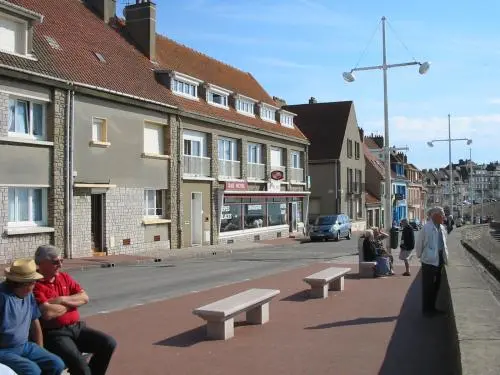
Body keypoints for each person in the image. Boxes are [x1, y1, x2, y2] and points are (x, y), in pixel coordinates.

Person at [33, 245, 116, 375]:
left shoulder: (64, 277)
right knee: (81, 367)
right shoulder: (36, 284)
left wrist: (61, 299)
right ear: (42, 263)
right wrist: (72, 302)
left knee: (109, 343)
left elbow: (84, 297)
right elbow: (47, 313)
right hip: (55, 334)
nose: (60, 264)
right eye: (55, 262)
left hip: (77, 328)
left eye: (61, 260)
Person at [0, 258, 65, 375]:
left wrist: (41, 349)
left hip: (24, 346)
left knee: (56, 363)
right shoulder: (3, 297)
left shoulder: (28, 295)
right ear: (26, 284)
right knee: (32, 370)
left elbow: (35, 322)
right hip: (3, 350)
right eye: (34, 282)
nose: (35, 284)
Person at [416, 206, 449, 317]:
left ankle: (433, 307)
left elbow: (444, 244)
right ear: (435, 216)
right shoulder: (426, 228)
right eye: (442, 215)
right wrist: (420, 255)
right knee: (428, 286)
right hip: (428, 260)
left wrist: (445, 257)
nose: (444, 217)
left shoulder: (443, 228)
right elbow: (419, 243)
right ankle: (427, 310)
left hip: (439, 259)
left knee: (437, 285)